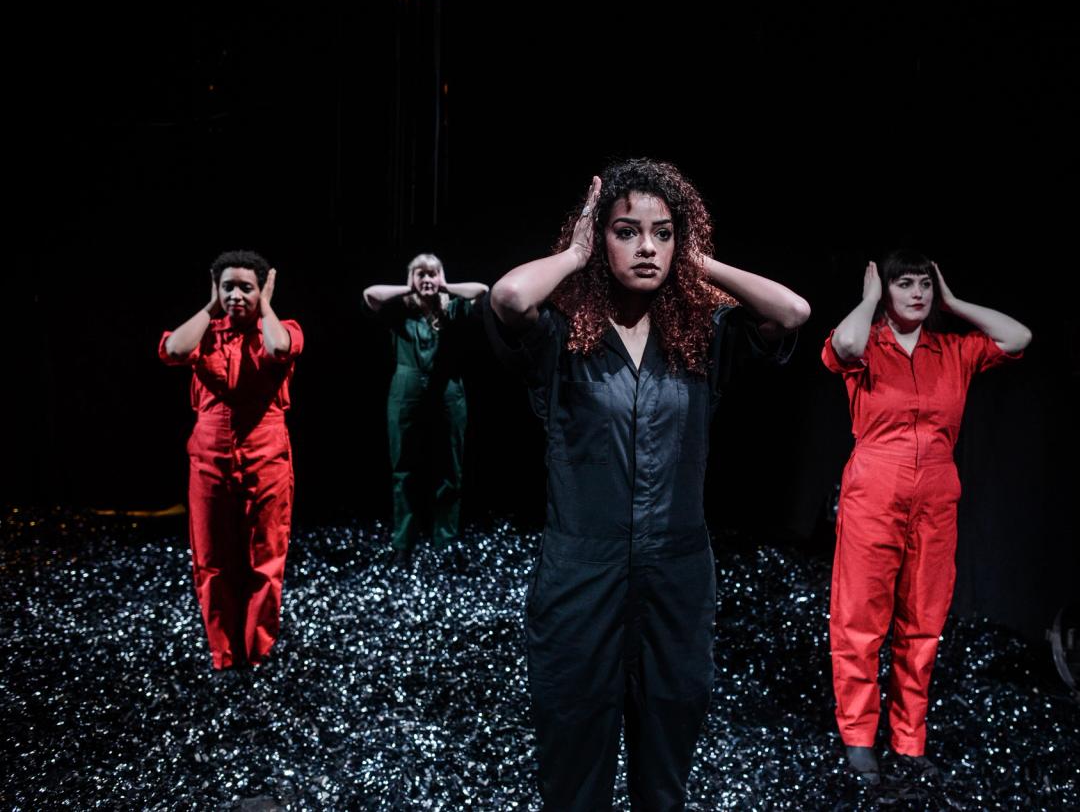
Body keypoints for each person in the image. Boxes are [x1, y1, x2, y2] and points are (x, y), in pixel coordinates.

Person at [486, 158, 809, 810]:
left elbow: (794, 310)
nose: (647, 248)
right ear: (600, 238)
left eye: (663, 234)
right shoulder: (562, 336)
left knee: (664, 779)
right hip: (582, 576)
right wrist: (574, 254)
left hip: (675, 581)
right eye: (626, 231)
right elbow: (509, 297)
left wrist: (698, 261)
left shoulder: (701, 336)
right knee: (573, 777)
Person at [822, 250, 1032, 784]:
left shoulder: (954, 350)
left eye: (924, 285)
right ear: (886, 291)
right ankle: (859, 738)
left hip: (936, 493)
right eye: (904, 284)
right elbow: (844, 345)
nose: (916, 294)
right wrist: (870, 300)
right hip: (875, 487)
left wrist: (955, 303)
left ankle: (909, 739)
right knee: (860, 619)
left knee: (924, 621)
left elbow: (1019, 337)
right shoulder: (868, 343)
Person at [159, 250, 303, 670]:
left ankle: (258, 652)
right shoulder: (206, 331)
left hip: (267, 455)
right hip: (210, 457)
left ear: (261, 290)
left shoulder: (281, 328)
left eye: (246, 287)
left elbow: (279, 348)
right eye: (228, 287)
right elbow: (173, 349)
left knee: (266, 557)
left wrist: (267, 306)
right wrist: (210, 306)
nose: (236, 295)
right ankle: (223, 653)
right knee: (212, 559)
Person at [362, 255, 488, 560]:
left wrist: (445, 286)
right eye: (421, 274)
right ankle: (403, 542)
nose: (428, 279)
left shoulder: (453, 309)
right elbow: (370, 295)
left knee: (450, 467)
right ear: (412, 277)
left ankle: (445, 540)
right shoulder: (401, 311)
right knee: (403, 467)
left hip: (448, 390)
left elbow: (483, 291)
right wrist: (409, 288)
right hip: (406, 390)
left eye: (433, 273)